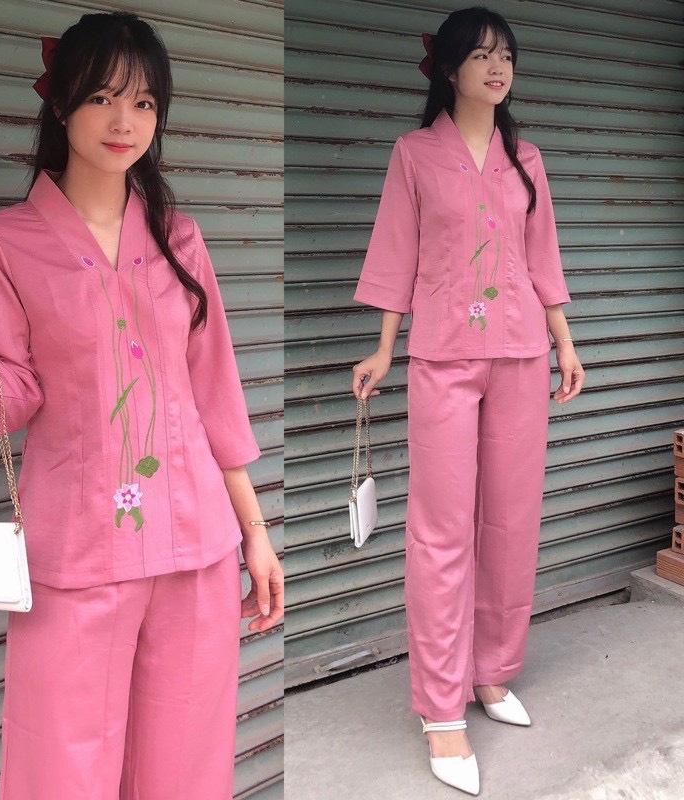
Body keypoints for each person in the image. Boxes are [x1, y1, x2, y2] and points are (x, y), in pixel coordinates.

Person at [0, 11, 283, 799]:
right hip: (75, 558)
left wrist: (257, 535)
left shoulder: (179, 238)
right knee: (58, 774)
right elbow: (13, 391)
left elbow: (215, 394)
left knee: (185, 775)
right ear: (61, 102)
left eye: (143, 102)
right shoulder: (7, 242)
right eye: (102, 97)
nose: (123, 120)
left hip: (197, 551)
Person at [350, 7, 584, 796]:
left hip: (521, 353)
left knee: (512, 521)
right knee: (442, 531)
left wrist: (565, 343)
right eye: (481, 55)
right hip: (444, 357)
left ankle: (491, 669)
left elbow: (542, 258)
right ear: (449, 68)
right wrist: (384, 348)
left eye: (505, 55)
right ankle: (440, 706)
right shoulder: (415, 154)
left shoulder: (527, 159)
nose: (497, 66)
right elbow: (397, 252)